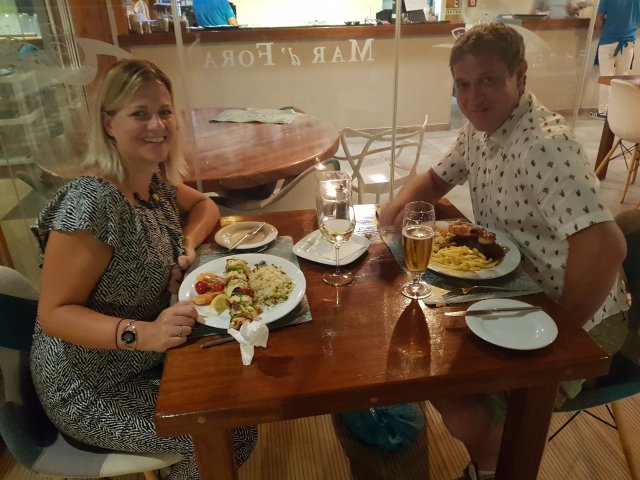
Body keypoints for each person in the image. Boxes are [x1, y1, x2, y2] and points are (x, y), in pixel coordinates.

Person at [379, 23, 629, 480]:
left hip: (582, 313)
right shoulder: (480, 130)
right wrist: (392, 213)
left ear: (521, 76)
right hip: (514, 290)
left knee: (461, 399)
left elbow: (606, 248)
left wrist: (558, 336)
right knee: (429, 364)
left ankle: (496, 464)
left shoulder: (545, 145)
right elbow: (434, 180)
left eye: (489, 80)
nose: (473, 98)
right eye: (463, 85)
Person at [29, 59, 257, 479]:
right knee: (225, 432)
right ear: (109, 123)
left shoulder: (150, 180)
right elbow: (54, 313)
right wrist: (143, 333)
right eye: (140, 113)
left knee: (238, 403)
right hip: (89, 383)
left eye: (164, 111)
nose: (157, 125)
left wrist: (185, 245)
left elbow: (204, 206)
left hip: (146, 356)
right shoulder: (93, 202)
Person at [590, 0, 640, 119]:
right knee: (623, 79)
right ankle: (619, 112)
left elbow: (598, 23)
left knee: (606, 78)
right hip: (628, 43)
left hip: (608, 41)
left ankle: (603, 112)